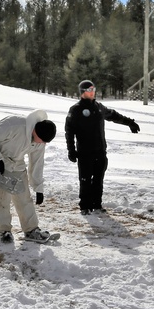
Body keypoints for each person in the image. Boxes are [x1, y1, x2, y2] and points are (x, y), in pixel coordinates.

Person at [0, 110, 58, 243]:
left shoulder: (39, 141)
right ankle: (4, 231)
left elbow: (37, 163)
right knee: (0, 199)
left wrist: (38, 187)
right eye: (42, 141)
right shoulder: (14, 126)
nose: (43, 144)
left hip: (17, 165)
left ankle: (31, 230)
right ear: (35, 132)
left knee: (24, 197)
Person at [64, 79, 140, 214]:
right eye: (90, 90)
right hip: (84, 152)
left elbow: (113, 115)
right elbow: (69, 131)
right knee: (85, 179)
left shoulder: (98, 107)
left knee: (98, 179)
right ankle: (85, 206)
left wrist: (129, 122)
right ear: (83, 92)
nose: (93, 92)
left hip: (100, 151)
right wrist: (71, 150)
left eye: (93, 89)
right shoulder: (75, 110)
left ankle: (96, 204)